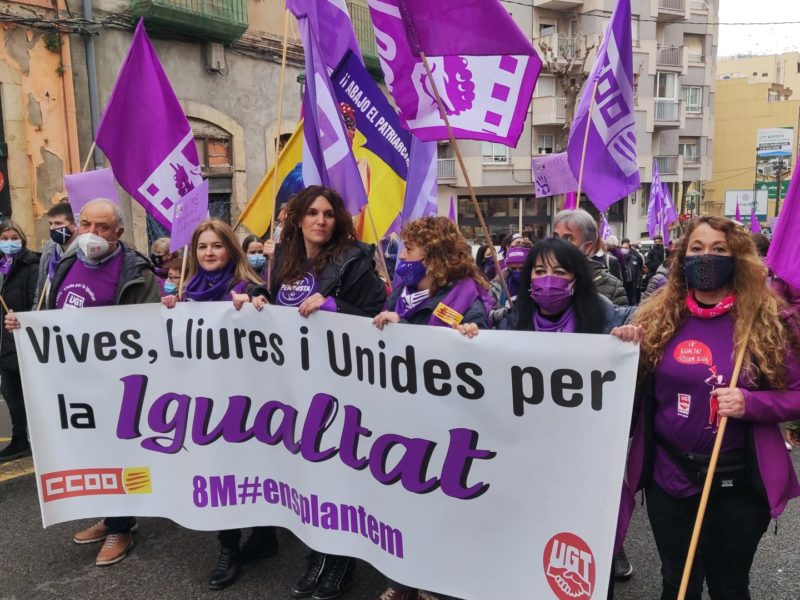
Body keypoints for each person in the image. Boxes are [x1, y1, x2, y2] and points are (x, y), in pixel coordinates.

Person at [615, 215, 800, 600]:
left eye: (719, 250)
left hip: (737, 487)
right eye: (697, 249)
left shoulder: (767, 321)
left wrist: (753, 403)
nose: (706, 257)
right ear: (682, 258)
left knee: (729, 587)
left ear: (738, 260)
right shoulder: (658, 319)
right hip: (669, 480)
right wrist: (623, 352)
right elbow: (626, 395)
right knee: (676, 583)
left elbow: (796, 394)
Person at [5, 198, 160, 566]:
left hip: (117, 385)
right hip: (74, 382)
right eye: (86, 224)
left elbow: (151, 330)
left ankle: (122, 525)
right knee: (92, 453)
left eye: (102, 227)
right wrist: (25, 325)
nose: (91, 233)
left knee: (118, 453)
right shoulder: (66, 262)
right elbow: (50, 312)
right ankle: (110, 517)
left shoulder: (136, 271)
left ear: (118, 233)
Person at [259, 185, 386, 600]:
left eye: (328, 214)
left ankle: (340, 563)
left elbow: (375, 318)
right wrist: (255, 300)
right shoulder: (285, 261)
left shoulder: (353, 261)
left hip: (340, 386)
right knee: (309, 473)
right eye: (311, 213)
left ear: (338, 220)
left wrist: (338, 311)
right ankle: (317, 553)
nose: (319, 220)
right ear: (298, 219)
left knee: (337, 472)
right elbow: (276, 307)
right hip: (295, 384)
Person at [373, 216, 491, 600]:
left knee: (441, 506)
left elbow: (484, 360)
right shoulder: (400, 295)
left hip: (448, 423)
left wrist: (471, 339)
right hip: (405, 418)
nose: (401, 256)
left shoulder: (468, 299)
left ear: (434, 257)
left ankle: (436, 584)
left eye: (409, 250)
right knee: (405, 503)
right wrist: (389, 328)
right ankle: (404, 580)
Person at [161, 219, 273, 591]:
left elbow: (268, 308)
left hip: (245, 400)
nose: (209, 253)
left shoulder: (246, 287)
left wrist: (258, 304)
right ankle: (232, 543)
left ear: (231, 250)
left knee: (248, 466)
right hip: (204, 398)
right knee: (220, 469)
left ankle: (256, 536)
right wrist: (171, 308)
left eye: (217, 246)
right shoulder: (187, 291)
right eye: (202, 247)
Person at [508, 238, 634, 334]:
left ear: (576, 278)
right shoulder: (513, 319)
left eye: (559, 272)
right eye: (540, 271)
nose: (548, 280)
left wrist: (628, 334)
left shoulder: (603, 315)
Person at [0, 221, 40, 462]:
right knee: (11, 394)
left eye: (14, 236)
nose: (9, 241)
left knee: (31, 394)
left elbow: (34, 302)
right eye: (4, 237)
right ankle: (19, 439)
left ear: (22, 239)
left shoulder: (31, 266)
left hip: (21, 339)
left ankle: (38, 437)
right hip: (3, 343)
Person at [552, 209, 628, 306]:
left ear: (587, 247)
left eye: (567, 238)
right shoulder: (539, 277)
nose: (557, 243)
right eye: (555, 236)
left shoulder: (611, 287)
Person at [34, 201, 78, 308]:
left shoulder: (84, 253)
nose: (53, 228)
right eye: (51, 223)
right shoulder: (49, 249)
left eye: (58, 223)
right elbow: (40, 289)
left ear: (75, 225)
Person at [489, 245, 530, 325]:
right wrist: (505, 312)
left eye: (521, 268)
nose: (517, 272)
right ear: (507, 266)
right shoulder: (496, 286)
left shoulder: (536, 285)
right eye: (513, 268)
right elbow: (488, 313)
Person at [620, 237, 644, 305]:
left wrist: (638, 284)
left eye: (626, 248)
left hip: (632, 284)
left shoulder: (634, 258)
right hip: (623, 283)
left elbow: (638, 272)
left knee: (632, 301)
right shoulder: (619, 258)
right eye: (623, 247)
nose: (624, 249)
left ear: (629, 248)